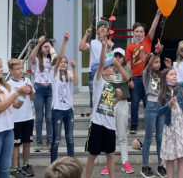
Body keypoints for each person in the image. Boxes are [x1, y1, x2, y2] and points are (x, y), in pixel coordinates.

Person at [85, 37, 121, 178]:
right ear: (103, 71)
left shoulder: (110, 86)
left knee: (110, 154)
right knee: (92, 155)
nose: (112, 67)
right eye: (109, 66)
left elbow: (110, 105)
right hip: (97, 124)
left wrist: (117, 98)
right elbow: (100, 63)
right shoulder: (98, 81)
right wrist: (104, 48)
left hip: (110, 125)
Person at [99, 47, 135, 175]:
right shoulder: (107, 68)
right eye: (116, 55)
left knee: (122, 135)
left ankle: (125, 162)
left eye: (120, 56)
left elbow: (129, 81)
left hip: (123, 102)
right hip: (109, 102)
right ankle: (108, 164)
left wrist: (118, 66)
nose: (118, 58)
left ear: (124, 58)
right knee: (109, 134)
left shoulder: (125, 68)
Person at [127, 10, 162, 134]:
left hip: (148, 78)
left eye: (141, 31)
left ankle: (151, 126)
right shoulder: (130, 47)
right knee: (135, 103)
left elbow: (153, 28)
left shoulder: (147, 41)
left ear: (144, 33)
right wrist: (129, 79)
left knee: (149, 102)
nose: (139, 33)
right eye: (137, 31)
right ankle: (134, 125)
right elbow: (127, 64)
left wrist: (157, 14)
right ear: (133, 33)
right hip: (136, 78)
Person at [50, 32, 79, 162]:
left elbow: (77, 83)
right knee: (57, 139)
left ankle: (71, 162)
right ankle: (53, 163)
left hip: (68, 110)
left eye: (65, 62)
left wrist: (74, 68)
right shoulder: (54, 73)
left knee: (70, 138)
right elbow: (59, 56)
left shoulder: (68, 72)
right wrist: (64, 41)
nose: (63, 63)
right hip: (57, 110)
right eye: (61, 62)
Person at [141, 39, 167, 178]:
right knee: (148, 138)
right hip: (150, 107)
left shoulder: (162, 75)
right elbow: (147, 69)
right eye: (156, 62)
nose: (159, 64)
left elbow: (170, 81)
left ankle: (160, 165)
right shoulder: (146, 75)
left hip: (161, 106)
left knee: (160, 138)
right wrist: (154, 55)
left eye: (159, 62)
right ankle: (145, 166)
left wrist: (168, 67)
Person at [6, 58, 36, 178]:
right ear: (11, 71)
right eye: (17, 69)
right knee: (16, 144)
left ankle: (26, 164)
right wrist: (22, 94)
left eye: (21, 68)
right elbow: (15, 103)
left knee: (27, 142)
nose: (20, 71)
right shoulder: (9, 84)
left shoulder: (27, 80)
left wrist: (30, 91)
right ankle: (14, 168)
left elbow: (33, 97)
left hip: (28, 117)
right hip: (16, 119)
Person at [29, 36, 55, 152]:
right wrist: (39, 44)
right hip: (39, 89)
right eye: (45, 47)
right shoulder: (38, 60)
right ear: (41, 48)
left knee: (49, 117)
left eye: (49, 47)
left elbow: (59, 60)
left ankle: (50, 141)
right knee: (39, 118)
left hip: (49, 89)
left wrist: (52, 50)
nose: (47, 49)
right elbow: (31, 57)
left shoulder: (52, 59)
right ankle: (39, 142)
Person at [79, 19, 111, 110]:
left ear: (108, 31)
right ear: (96, 31)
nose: (103, 29)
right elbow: (81, 48)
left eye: (105, 27)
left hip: (105, 72)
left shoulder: (110, 43)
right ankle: (93, 119)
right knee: (93, 96)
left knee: (105, 95)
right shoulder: (92, 42)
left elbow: (110, 56)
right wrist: (86, 35)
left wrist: (105, 43)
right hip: (93, 72)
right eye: (100, 27)